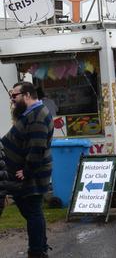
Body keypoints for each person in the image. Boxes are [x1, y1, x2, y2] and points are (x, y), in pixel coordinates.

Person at [1, 82, 54, 257]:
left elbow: (37, 147)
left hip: (30, 175)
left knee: (33, 212)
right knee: (31, 212)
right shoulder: (30, 113)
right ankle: (40, 247)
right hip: (23, 173)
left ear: (27, 95)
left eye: (14, 96)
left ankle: (37, 251)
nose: (12, 100)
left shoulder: (38, 115)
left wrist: (27, 171)